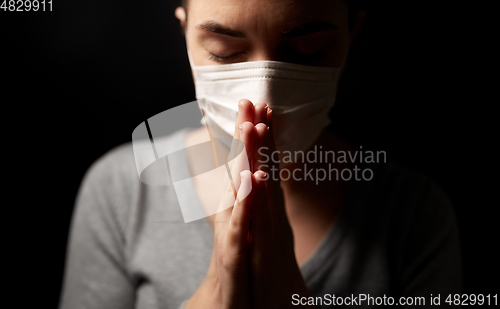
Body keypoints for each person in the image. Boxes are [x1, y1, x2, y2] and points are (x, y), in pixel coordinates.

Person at [59, 0, 462, 308]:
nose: (262, 99)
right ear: (185, 33)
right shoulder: (121, 190)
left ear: (350, 34)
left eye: (307, 50)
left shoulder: (413, 214)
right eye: (224, 52)